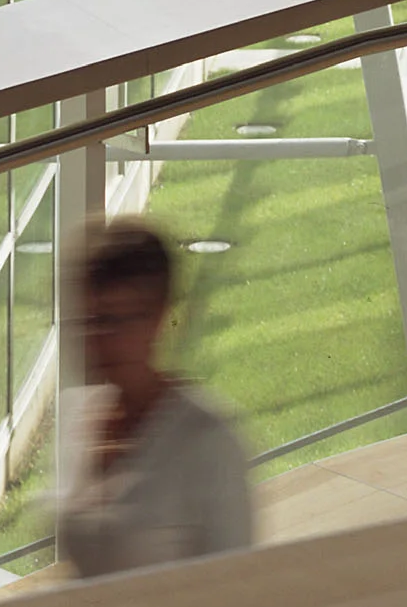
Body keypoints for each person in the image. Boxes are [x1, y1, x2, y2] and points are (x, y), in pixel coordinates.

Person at [52, 216, 257, 578]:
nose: (100, 339)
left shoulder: (209, 440)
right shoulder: (76, 415)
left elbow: (234, 591)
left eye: (118, 320)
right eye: (89, 321)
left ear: (159, 317)